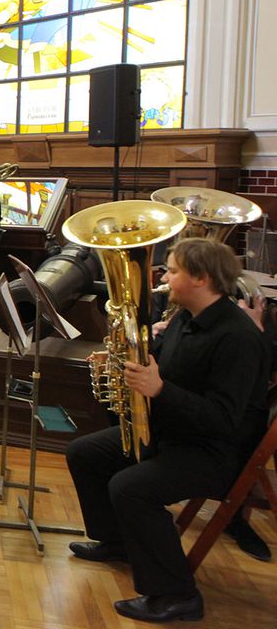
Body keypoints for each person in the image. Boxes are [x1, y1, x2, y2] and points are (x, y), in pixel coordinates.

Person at [65, 238, 270, 623]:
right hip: (175, 432)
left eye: (173, 271)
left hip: (215, 453)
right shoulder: (186, 319)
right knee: (85, 453)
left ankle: (177, 594)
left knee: (130, 487)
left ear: (201, 278)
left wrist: (160, 390)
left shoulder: (238, 338)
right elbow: (163, 366)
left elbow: (223, 419)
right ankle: (120, 542)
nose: (163, 277)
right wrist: (122, 363)